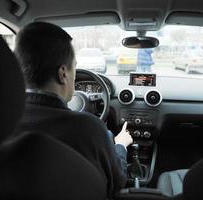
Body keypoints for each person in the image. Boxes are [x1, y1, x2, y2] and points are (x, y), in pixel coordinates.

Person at [13, 22, 133, 198]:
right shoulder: (90, 129)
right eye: (74, 67)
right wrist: (121, 145)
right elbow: (117, 183)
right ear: (63, 73)